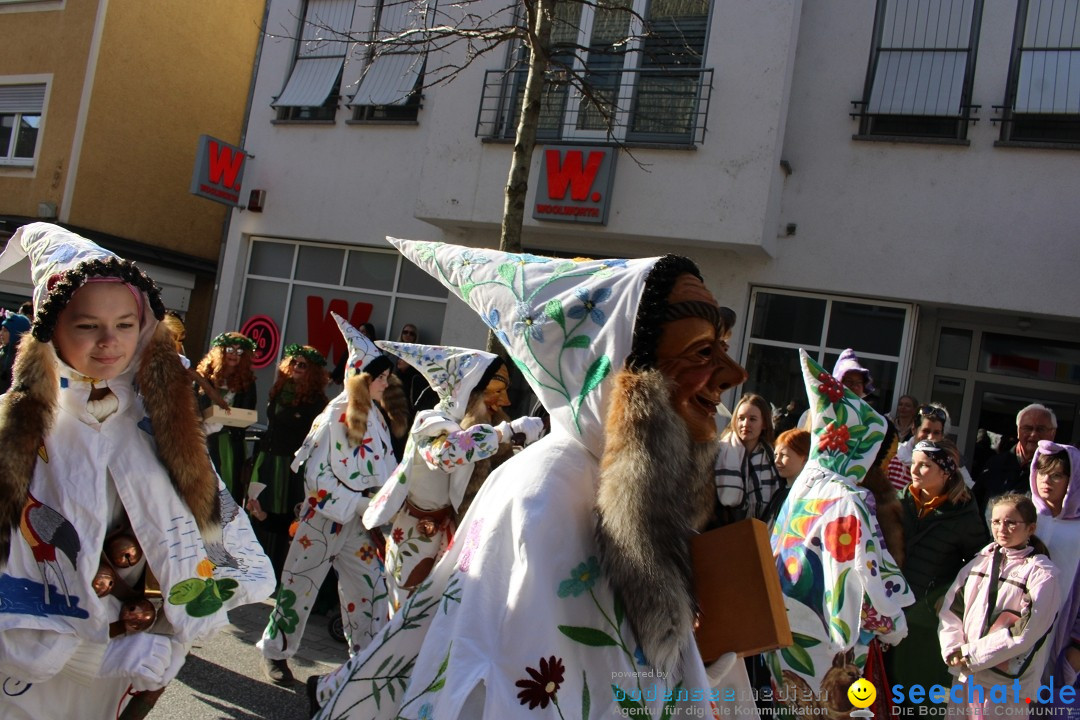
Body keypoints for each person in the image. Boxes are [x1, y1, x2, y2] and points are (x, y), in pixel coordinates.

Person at [310, 239, 757, 718]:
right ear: (621, 370)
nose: (733, 373)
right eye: (702, 351)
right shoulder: (547, 490)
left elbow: (625, 660)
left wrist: (704, 657)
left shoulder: (618, 478)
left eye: (723, 349)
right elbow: (530, 685)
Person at [0, 223, 273, 719]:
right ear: (50, 328)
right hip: (30, 659)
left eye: (125, 325)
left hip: (127, 653)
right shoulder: (16, 426)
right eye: (87, 326)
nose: (109, 342)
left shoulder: (159, 425)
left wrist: (168, 635)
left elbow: (198, 532)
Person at [258, 313, 405, 684]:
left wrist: (388, 502)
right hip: (322, 522)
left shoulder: (378, 419)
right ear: (361, 377)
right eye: (380, 376)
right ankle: (276, 654)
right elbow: (315, 477)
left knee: (370, 592)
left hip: (360, 525)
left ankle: (363, 663)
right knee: (298, 588)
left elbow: (386, 469)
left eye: (388, 377)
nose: (386, 382)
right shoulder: (334, 415)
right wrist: (359, 505)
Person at [768, 351, 913, 720]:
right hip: (829, 648)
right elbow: (863, 572)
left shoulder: (802, 487)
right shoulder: (847, 497)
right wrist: (892, 624)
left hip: (784, 636)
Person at [363, 342, 544, 611]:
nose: (504, 400)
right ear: (469, 390)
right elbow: (447, 455)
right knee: (404, 622)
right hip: (414, 538)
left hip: (449, 539)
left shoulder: (471, 429)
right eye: (497, 390)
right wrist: (506, 432)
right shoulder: (430, 422)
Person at [938, 493, 1061, 716]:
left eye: (1011, 522)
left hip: (1007, 687)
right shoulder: (978, 563)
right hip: (966, 676)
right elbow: (951, 610)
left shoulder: (1042, 575)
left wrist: (973, 654)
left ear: (1031, 528)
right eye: (996, 521)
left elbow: (1028, 630)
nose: (1001, 528)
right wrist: (953, 648)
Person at [887, 438, 989, 705]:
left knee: (912, 692)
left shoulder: (964, 515)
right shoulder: (899, 503)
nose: (915, 470)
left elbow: (979, 564)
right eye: (914, 464)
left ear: (945, 471)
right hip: (886, 609)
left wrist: (947, 594)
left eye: (925, 466)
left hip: (925, 616)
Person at [246, 344, 330, 579]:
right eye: (293, 362)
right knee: (256, 504)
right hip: (267, 455)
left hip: (288, 463)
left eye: (302, 365)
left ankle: (272, 567)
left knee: (280, 511)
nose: (296, 368)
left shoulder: (316, 402)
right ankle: (249, 562)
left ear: (312, 371)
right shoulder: (280, 389)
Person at [1029, 442, 1080, 693]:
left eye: (1057, 475)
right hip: (1015, 629)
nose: (1046, 480)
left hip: (1060, 634)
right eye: (1041, 471)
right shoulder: (1023, 516)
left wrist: (1078, 645)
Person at [196, 332, 259, 500]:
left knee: (227, 484)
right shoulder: (205, 376)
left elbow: (248, 413)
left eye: (239, 352)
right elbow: (191, 404)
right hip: (203, 439)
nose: (234, 355)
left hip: (230, 441)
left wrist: (228, 419)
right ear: (220, 351)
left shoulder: (247, 382)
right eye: (230, 349)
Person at [976, 404, 1058, 514]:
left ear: (1052, 433)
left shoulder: (1058, 470)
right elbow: (976, 502)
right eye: (1028, 428)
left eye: (1040, 429)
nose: (1033, 434)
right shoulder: (995, 463)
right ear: (1018, 431)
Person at [715, 393, 781, 525]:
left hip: (762, 532)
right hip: (721, 531)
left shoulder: (774, 457)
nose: (745, 424)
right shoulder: (718, 452)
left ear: (764, 424)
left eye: (752, 419)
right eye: (741, 418)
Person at [886, 403, 950, 492]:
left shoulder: (947, 467)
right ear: (913, 429)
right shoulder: (892, 457)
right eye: (926, 431)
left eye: (936, 433)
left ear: (942, 436)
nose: (930, 437)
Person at [770, 428, 809, 522]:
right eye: (776, 455)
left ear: (804, 459)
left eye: (783, 455)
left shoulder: (807, 495)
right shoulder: (779, 494)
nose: (777, 461)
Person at [0, 311, 31, 394]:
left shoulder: (21, 360)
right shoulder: (3, 351)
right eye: (1, 330)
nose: (1, 334)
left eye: (6, 331)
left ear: (16, 333)